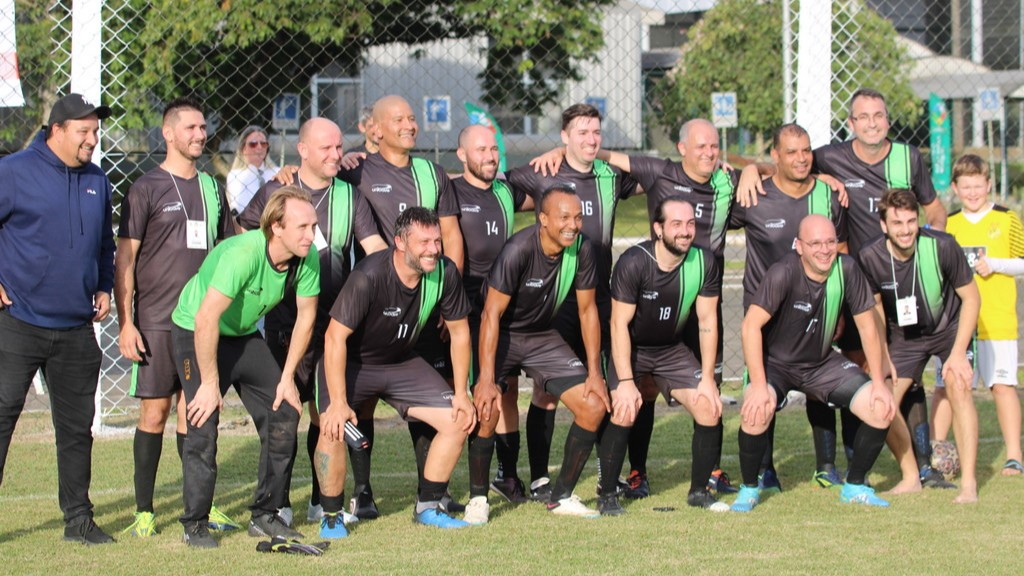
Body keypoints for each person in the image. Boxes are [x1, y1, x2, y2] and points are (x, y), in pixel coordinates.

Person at [738, 87, 950, 489]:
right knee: (804, 377)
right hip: (811, 296)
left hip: (883, 287)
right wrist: (753, 169)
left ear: (888, 119)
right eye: (862, 116)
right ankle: (802, 466)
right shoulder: (828, 158)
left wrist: (931, 259)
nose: (872, 123)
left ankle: (914, 465)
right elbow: (787, 164)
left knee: (897, 371)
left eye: (879, 115)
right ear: (850, 123)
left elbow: (934, 212)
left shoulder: (907, 158)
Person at [531, 116, 740, 497]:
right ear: (682, 149)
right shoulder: (659, 172)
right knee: (635, 392)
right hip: (652, 307)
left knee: (710, 390)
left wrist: (756, 169)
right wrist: (565, 150)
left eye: (714, 146)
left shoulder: (728, 181)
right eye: (701, 146)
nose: (709, 153)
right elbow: (603, 154)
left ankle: (711, 472)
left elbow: (781, 179)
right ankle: (634, 473)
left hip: (700, 299)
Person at [237, 117, 387, 526]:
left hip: (331, 328)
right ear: (302, 150)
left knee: (326, 415)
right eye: (326, 148)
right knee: (283, 414)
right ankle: (278, 502)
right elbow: (244, 235)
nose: (336, 155)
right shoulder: (276, 190)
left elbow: (374, 249)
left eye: (339, 147)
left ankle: (323, 499)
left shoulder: (350, 196)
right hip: (280, 327)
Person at [334, 95, 465, 519]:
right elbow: (314, 176)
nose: (410, 125)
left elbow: (450, 234)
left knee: (430, 403)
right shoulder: (356, 171)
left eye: (412, 118)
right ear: (374, 129)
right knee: (363, 404)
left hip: (427, 303)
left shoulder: (433, 172)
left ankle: (431, 493)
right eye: (399, 119)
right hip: (378, 304)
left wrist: (447, 294)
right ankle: (362, 490)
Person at [170, 186, 320, 547]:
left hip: (241, 334)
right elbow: (207, 319)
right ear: (275, 227)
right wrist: (209, 383)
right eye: (302, 227)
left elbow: (307, 318)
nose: (311, 235)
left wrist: (287, 379)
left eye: (313, 226)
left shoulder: (306, 256)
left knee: (284, 411)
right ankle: (195, 523)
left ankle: (266, 515)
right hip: (196, 328)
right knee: (202, 420)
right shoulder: (243, 253)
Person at [116, 97, 236, 538]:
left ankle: (200, 504)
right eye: (190, 128)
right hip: (154, 321)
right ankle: (144, 509)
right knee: (154, 413)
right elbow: (124, 261)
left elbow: (227, 253)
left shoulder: (211, 187)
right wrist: (126, 323)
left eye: (203, 128)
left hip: (199, 322)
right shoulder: (145, 187)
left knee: (198, 411)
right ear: (168, 133)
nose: (200, 135)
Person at [314, 207, 476, 535]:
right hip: (354, 364)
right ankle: (331, 516)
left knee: (460, 419)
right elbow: (334, 338)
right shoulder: (369, 275)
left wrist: (462, 392)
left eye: (437, 240)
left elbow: (459, 332)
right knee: (332, 425)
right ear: (400, 242)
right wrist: (340, 402)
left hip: (401, 362)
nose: (433, 249)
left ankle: (429, 506)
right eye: (424, 242)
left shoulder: (444, 271)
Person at [504, 103, 637, 501]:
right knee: (546, 392)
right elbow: (491, 188)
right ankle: (542, 477)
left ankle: (604, 476)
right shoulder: (542, 172)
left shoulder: (610, 177)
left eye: (596, 132)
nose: (590, 139)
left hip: (600, 299)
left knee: (603, 385)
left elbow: (663, 176)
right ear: (564, 137)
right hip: (556, 304)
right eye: (581, 132)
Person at [0, 92, 116, 545]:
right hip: (17, 322)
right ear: (57, 131)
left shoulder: (97, 179)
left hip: (76, 328)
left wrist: (104, 285)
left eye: (95, 130)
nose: (93, 139)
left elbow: (105, 243)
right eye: (84, 131)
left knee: (75, 430)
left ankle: (79, 521)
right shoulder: (12, 172)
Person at [732, 215, 896, 512]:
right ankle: (749, 489)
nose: (824, 249)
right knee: (757, 411)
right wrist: (757, 386)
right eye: (815, 243)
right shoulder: (782, 272)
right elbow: (749, 327)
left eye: (830, 242)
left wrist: (879, 382)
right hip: (776, 366)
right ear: (799, 246)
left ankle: (855, 485)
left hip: (821, 364)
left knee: (881, 406)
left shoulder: (847, 269)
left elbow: (868, 327)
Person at [472, 185, 609, 521]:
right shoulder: (518, 249)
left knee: (592, 406)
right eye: (564, 217)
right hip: (503, 333)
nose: (573, 225)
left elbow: (588, 311)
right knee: (488, 406)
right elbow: (490, 314)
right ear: (543, 219)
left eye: (578, 217)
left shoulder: (583, 249)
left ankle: (560, 496)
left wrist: (595, 373)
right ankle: (478, 499)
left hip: (543, 338)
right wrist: (487, 379)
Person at [729, 124, 847, 490]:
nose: (801, 158)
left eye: (806, 151)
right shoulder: (754, 195)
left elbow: (839, 253)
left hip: (817, 310)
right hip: (766, 315)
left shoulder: (828, 195)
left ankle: (826, 465)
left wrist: (839, 309)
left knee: (820, 387)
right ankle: (765, 470)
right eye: (791, 152)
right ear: (775, 157)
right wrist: (750, 169)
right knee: (762, 389)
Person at [856, 188, 980, 503]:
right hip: (904, 337)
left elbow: (971, 298)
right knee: (881, 401)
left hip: (948, 329)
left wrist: (957, 354)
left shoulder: (942, 246)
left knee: (958, 383)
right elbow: (876, 312)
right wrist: (883, 357)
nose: (906, 229)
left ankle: (968, 484)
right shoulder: (870, 257)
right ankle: (912, 476)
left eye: (911, 221)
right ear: (884, 225)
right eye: (897, 223)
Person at [605, 197, 726, 512]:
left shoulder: (705, 262)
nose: (685, 232)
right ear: (658, 229)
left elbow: (708, 322)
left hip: (671, 350)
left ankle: (699, 492)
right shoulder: (634, 262)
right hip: (632, 348)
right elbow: (618, 325)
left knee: (709, 407)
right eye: (676, 224)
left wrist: (709, 378)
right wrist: (627, 381)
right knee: (625, 407)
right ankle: (608, 495)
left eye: (690, 224)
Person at [450, 125, 533, 510]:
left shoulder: (505, 190)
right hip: (466, 311)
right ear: (461, 155)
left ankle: (507, 474)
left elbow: (549, 189)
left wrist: (553, 159)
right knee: (479, 396)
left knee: (507, 391)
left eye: (494, 149)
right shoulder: (450, 192)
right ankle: (467, 487)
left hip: (506, 307)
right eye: (480, 149)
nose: (490, 155)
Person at [932, 154, 1023, 476]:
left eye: (978, 186)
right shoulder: (950, 225)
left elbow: (1023, 261)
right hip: (956, 325)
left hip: (997, 319)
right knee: (948, 385)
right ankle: (937, 452)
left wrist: (996, 265)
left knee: (1002, 384)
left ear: (989, 184)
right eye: (966, 186)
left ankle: (1014, 456)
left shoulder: (1008, 219)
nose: (972, 192)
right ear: (955, 188)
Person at [226, 125, 279, 216]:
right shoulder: (236, 175)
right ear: (244, 149)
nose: (259, 147)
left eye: (263, 144)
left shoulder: (277, 172)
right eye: (253, 144)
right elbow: (239, 206)